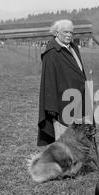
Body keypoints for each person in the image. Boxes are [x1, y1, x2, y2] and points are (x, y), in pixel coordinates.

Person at [37, 19, 88, 147]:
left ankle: (78, 165)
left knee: (79, 141)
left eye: (71, 32)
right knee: (65, 145)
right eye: (65, 32)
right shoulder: (52, 53)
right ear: (56, 33)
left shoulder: (73, 48)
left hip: (79, 101)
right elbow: (48, 82)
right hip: (62, 106)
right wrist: (52, 108)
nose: (69, 35)